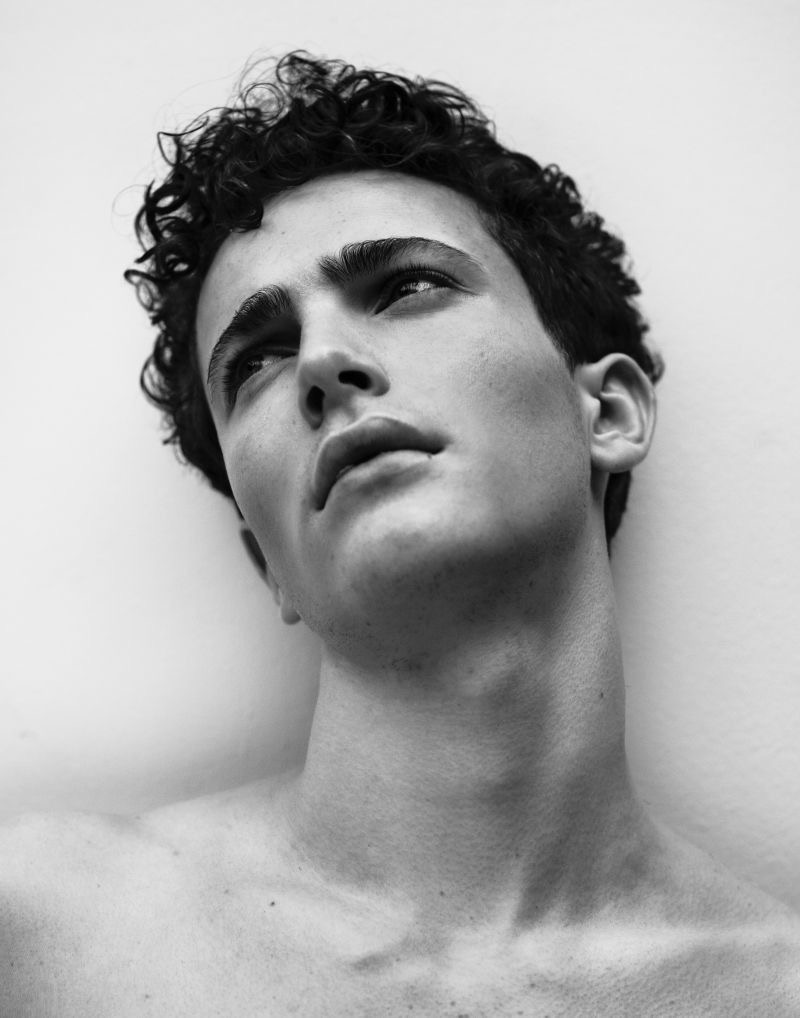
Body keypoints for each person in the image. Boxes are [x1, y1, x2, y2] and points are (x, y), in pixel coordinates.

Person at [2, 52, 798, 1017]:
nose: (324, 361)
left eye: (409, 288)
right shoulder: (43, 934)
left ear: (610, 413)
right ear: (268, 564)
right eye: (256, 361)